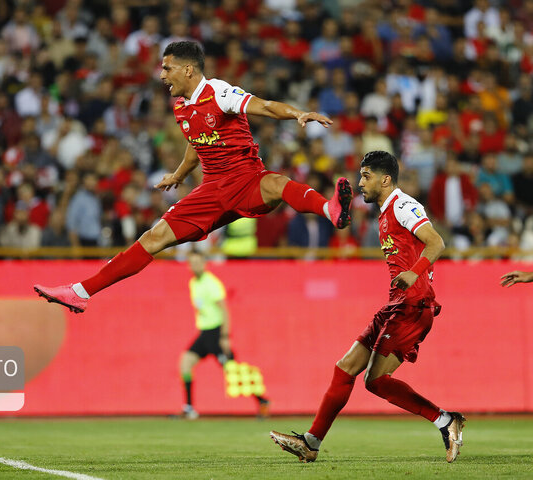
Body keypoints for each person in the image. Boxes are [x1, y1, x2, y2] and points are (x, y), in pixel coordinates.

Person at [34, 41, 352, 312]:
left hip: (246, 180)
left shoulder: (220, 92)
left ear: (187, 70)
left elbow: (265, 106)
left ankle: (331, 209)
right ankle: (81, 292)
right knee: (153, 238)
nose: (161, 75)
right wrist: (178, 174)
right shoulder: (181, 107)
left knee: (278, 184)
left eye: (167, 68)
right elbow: (195, 142)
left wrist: (297, 113)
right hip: (212, 190)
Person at [270, 151, 465, 463]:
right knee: (345, 367)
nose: (361, 183)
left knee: (374, 381)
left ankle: (445, 420)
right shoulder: (386, 211)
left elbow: (436, 242)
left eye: (366, 176)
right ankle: (311, 442)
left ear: (385, 179)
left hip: (413, 304)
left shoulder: (403, 204)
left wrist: (413, 273)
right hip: (396, 304)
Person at [180, 250, 269, 419]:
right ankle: (189, 408)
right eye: (192, 262)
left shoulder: (211, 284)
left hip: (215, 333)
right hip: (204, 334)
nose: (195, 265)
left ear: (204, 264)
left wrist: (225, 337)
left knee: (232, 372)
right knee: (185, 363)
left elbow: (225, 310)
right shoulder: (194, 283)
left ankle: (262, 400)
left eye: (198, 262)